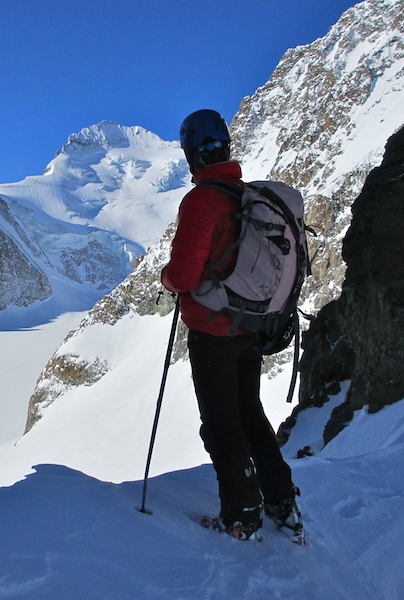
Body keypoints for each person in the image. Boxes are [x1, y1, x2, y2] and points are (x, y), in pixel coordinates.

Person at [161, 109, 302, 541]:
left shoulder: (202, 201)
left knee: (222, 426)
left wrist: (166, 278)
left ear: (191, 157)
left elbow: (184, 276)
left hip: (214, 334)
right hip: (251, 327)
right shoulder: (243, 195)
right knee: (250, 415)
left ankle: (242, 515)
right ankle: (282, 501)